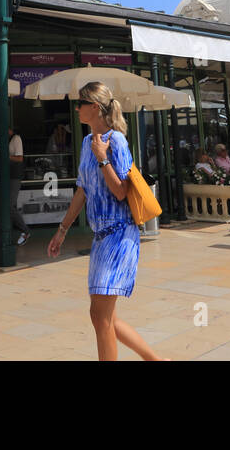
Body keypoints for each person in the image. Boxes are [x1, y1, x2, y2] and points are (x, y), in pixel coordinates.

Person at [47, 82, 162, 361]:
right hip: (100, 238)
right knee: (102, 316)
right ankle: (156, 360)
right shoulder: (87, 143)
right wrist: (62, 230)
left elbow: (121, 191)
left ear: (94, 107)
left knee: (100, 317)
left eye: (80, 103)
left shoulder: (117, 141)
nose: (76, 109)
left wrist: (103, 159)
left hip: (120, 235)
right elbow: (83, 190)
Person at [7, 127, 30, 246]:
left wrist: (5, 157)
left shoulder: (16, 139)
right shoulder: (7, 140)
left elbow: (19, 158)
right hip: (8, 176)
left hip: (14, 176)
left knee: (9, 205)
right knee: (9, 205)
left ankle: (25, 231)